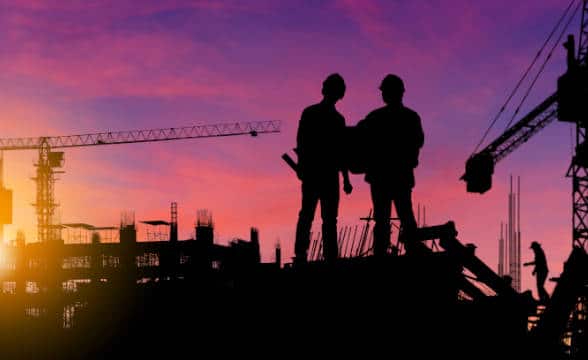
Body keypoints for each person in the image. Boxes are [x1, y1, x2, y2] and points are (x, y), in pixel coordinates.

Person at [356, 74, 424, 256]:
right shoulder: (410, 117)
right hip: (399, 175)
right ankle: (411, 250)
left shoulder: (376, 117)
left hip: (381, 176)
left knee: (384, 218)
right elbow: (418, 142)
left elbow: (357, 135)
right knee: (405, 215)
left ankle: (381, 253)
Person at [294, 73, 353, 264]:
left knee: (322, 217)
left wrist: (345, 179)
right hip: (317, 173)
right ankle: (307, 254)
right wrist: (302, 166)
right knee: (311, 215)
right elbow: (302, 142)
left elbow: (342, 151)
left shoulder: (334, 119)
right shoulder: (314, 114)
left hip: (324, 174)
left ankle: (326, 256)